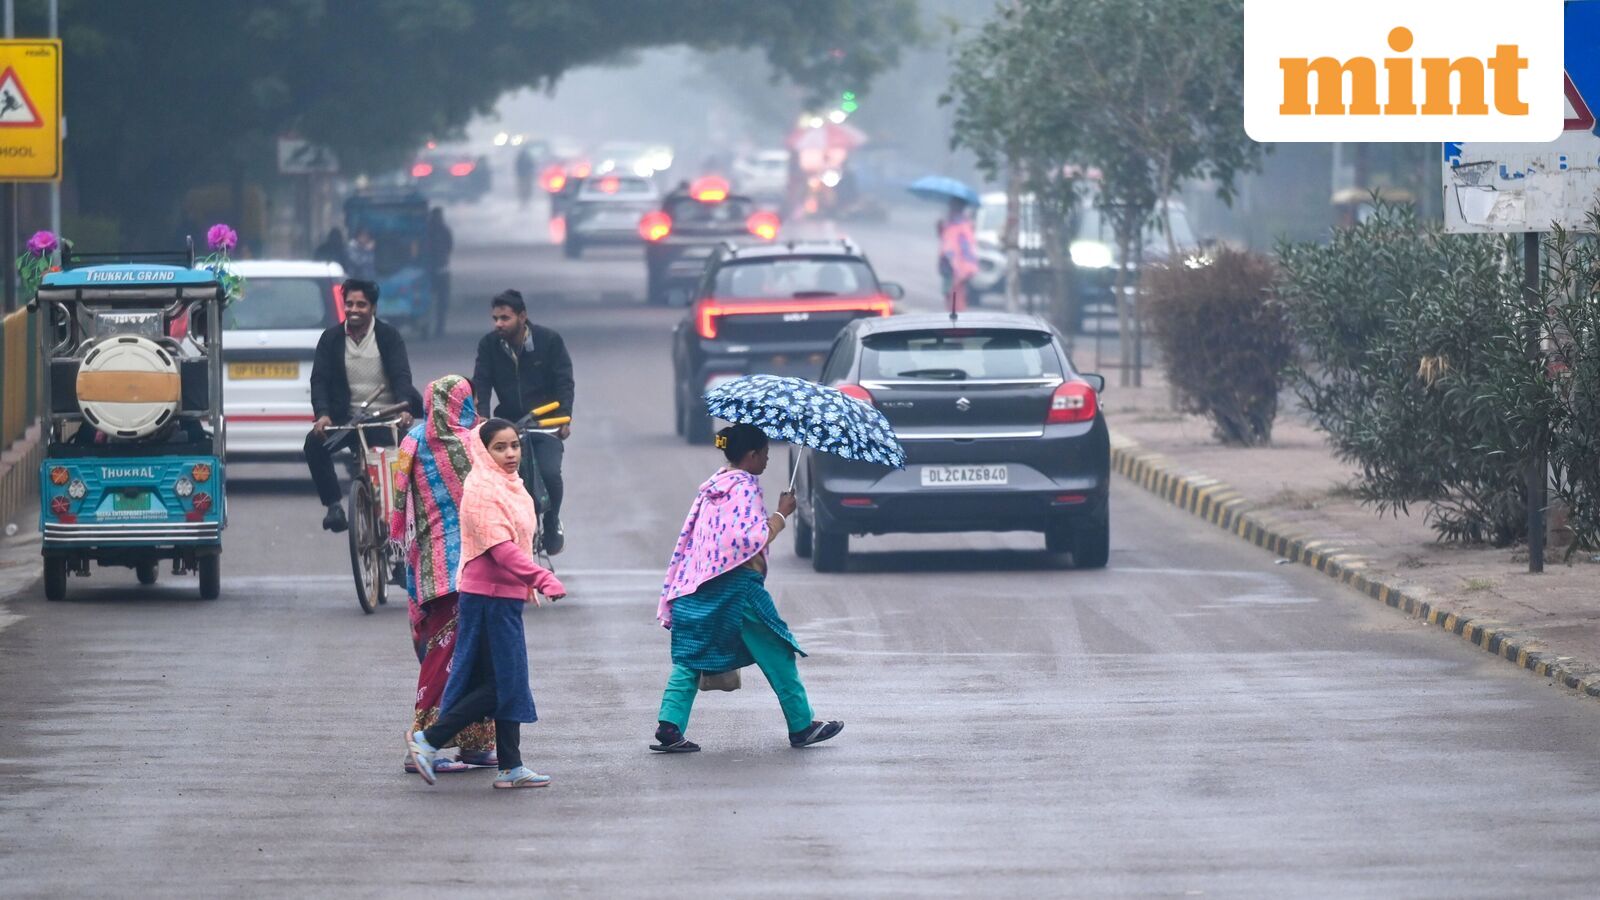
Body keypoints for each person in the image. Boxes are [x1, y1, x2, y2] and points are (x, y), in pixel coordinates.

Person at [650, 423, 843, 753]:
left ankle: (669, 726)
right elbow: (744, 540)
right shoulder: (744, 487)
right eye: (765, 454)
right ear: (751, 455)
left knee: (691, 655)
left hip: (699, 585)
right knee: (778, 651)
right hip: (740, 590)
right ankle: (801, 725)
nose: (767, 461)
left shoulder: (713, 486)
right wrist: (781, 515)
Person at [406, 418, 567, 789]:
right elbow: (501, 549)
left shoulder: (510, 485)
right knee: (502, 684)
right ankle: (428, 741)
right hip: (488, 601)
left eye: (514, 445)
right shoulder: (481, 490)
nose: (510, 454)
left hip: (503, 600)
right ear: (483, 450)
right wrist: (542, 577)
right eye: (500, 447)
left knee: (502, 682)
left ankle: (511, 767)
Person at [390, 375, 495, 775]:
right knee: (450, 654)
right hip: (467, 565)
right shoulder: (473, 442)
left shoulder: (412, 440)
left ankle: (474, 744)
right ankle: (422, 742)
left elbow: (401, 502)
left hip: (427, 562)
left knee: (464, 652)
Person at [306, 278, 422, 532]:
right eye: (349, 304)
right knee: (313, 445)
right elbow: (319, 380)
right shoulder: (330, 339)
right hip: (345, 420)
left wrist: (404, 409)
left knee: (408, 467)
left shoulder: (388, 336)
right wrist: (323, 415)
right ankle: (334, 506)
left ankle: (401, 538)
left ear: (373, 308)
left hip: (384, 419)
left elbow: (402, 376)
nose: (354, 310)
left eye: (361, 304)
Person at [471, 289, 575, 554]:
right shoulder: (488, 345)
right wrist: (481, 414)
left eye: (505, 318)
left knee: (550, 472)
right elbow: (481, 382)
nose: (498, 324)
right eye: (495, 318)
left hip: (546, 423)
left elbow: (564, 381)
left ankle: (552, 522)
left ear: (522, 316)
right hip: (508, 424)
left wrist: (565, 417)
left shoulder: (549, 341)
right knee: (503, 478)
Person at [940, 197, 978, 313]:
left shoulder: (962, 226)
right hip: (948, 266)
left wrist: (963, 269)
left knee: (957, 297)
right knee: (949, 295)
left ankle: (957, 325)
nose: (950, 209)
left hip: (957, 268)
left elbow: (966, 249)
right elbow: (946, 241)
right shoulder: (950, 223)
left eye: (953, 206)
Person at [426, 208, 453, 336]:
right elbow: (449, 247)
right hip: (440, 269)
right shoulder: (444, 230)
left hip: (432, 269)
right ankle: (438, 328)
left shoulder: (427, 231)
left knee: (432, 301)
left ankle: (433, 326)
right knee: (441, 302)